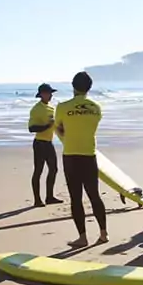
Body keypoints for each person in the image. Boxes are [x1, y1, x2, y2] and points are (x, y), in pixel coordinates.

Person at [54, 71, 108, 247]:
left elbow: (59, 128)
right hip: (89, 154)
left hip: (71, 155)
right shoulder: (96, 108)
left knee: (76, 198)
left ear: (73, 86)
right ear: (89, 88)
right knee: (94, 195)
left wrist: (67, 137)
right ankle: (103, 233)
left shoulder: (62, 107)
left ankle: (83, 237)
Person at [28, 83, 62, 207]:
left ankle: (49, 197)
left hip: (49, 143)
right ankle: (37, 200)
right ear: (42, 94)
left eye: (51, 93)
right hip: (39, 143)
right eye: (49, 93)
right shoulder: (36, 109)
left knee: (54, 169)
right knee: (38, 171)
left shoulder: (51, 108)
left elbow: (56, 125)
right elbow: (31, 128)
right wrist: (47, 126)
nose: (51, 95)